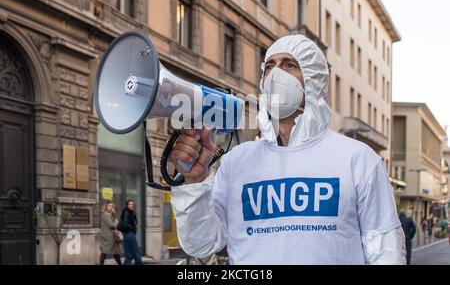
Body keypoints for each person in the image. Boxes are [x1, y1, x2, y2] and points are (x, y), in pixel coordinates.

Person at [169, 35, 406, 265]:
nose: (276, 73)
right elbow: (200, 244)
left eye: (290, 65)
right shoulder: (236, 162)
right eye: (269, 66)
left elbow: (386, 252)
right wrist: (194, 181)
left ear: (314, 81)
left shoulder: (357, 158)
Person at [119, 199, 143, 265]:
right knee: (136, 252)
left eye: (132, 204)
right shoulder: (128, 212)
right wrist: (133, 227)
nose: (131, 205)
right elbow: (125, 224)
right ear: (127, 205)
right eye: (130, 204)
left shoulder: (127, 212)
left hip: (126, 234)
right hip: (129, 234)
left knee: (129, 255)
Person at [100, 201, 122, 265]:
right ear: (106, 207)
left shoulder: (111, 214)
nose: (111, 207)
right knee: (104, 252)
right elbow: (111, 225)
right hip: (107, 237)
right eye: (109, 206)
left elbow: (117, 219)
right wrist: (116, 223)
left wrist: (114, 213)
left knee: (116, 252)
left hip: (112, 237)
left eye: (112, 206)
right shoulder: (105, 215)